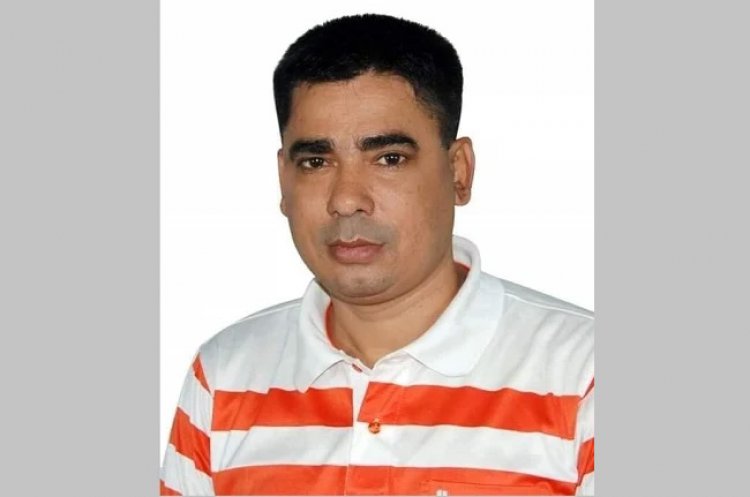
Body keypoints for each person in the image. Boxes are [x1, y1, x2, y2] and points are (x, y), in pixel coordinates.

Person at [160, 13, 594, 496]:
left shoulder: (583, 373)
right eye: (316, 161)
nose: (347, 199)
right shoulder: (225, 376)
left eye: (389, 158)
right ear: (284, 180)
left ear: (458, 172)